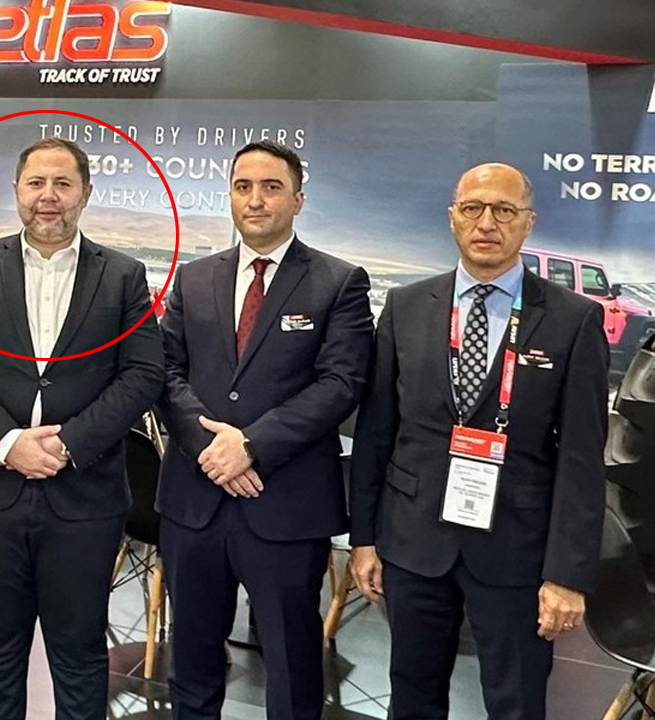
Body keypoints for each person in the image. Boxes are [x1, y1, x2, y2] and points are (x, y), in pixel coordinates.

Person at [348, 163, 608, 720]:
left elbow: (582, 459)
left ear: (528, 223)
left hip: (517, 550)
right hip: (414, 542)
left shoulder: (573, 320)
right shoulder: (406, 307)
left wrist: (566, 575)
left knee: (516, 704)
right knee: (412, 698)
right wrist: (364, 539)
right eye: (473, 208)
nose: (487, 223)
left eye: (504, 210)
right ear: (453, 218)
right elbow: (376, 433)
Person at [0, 137, 164, 720]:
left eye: (62, 183)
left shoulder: (124, 275)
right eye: (36, 183)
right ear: (17, 190)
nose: (48, 196)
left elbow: (143, 373)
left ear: (86, 192)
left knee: (80, 654)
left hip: (84, 496)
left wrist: (69, 443)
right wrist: (7, 442)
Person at [155, 140, 374, 720]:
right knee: (192, 659)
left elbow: (340, 384)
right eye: (243, 187)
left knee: (292, 664)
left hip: (285, 506)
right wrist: (213, 450)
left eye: (271, 187)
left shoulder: (339, 282)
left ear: (298, 199)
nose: (255, 199)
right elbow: (165, 372)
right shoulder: (193, 278)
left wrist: (251, 446)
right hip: (195, 501)